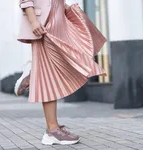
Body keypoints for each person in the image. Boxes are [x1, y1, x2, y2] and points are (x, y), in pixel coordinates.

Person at [16, 0, 107, 145]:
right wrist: (33, 21)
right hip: (44, 26)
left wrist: (67, 8)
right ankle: (52, 130)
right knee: (48, 76)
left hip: (61, 23)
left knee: (73, 56)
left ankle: (34, 73)